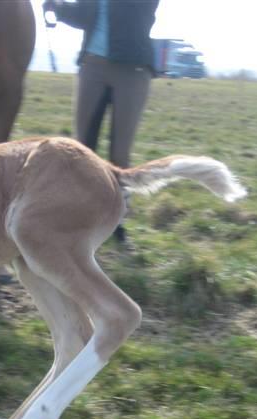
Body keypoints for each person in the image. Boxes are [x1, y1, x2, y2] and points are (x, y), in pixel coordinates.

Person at [43, 0, 160, 242]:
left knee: (120, 154)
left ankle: (116, 220)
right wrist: (58, 7)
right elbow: (85, 15)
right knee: (82, 150)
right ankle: (78, 216)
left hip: (132, 69)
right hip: (92, 66)